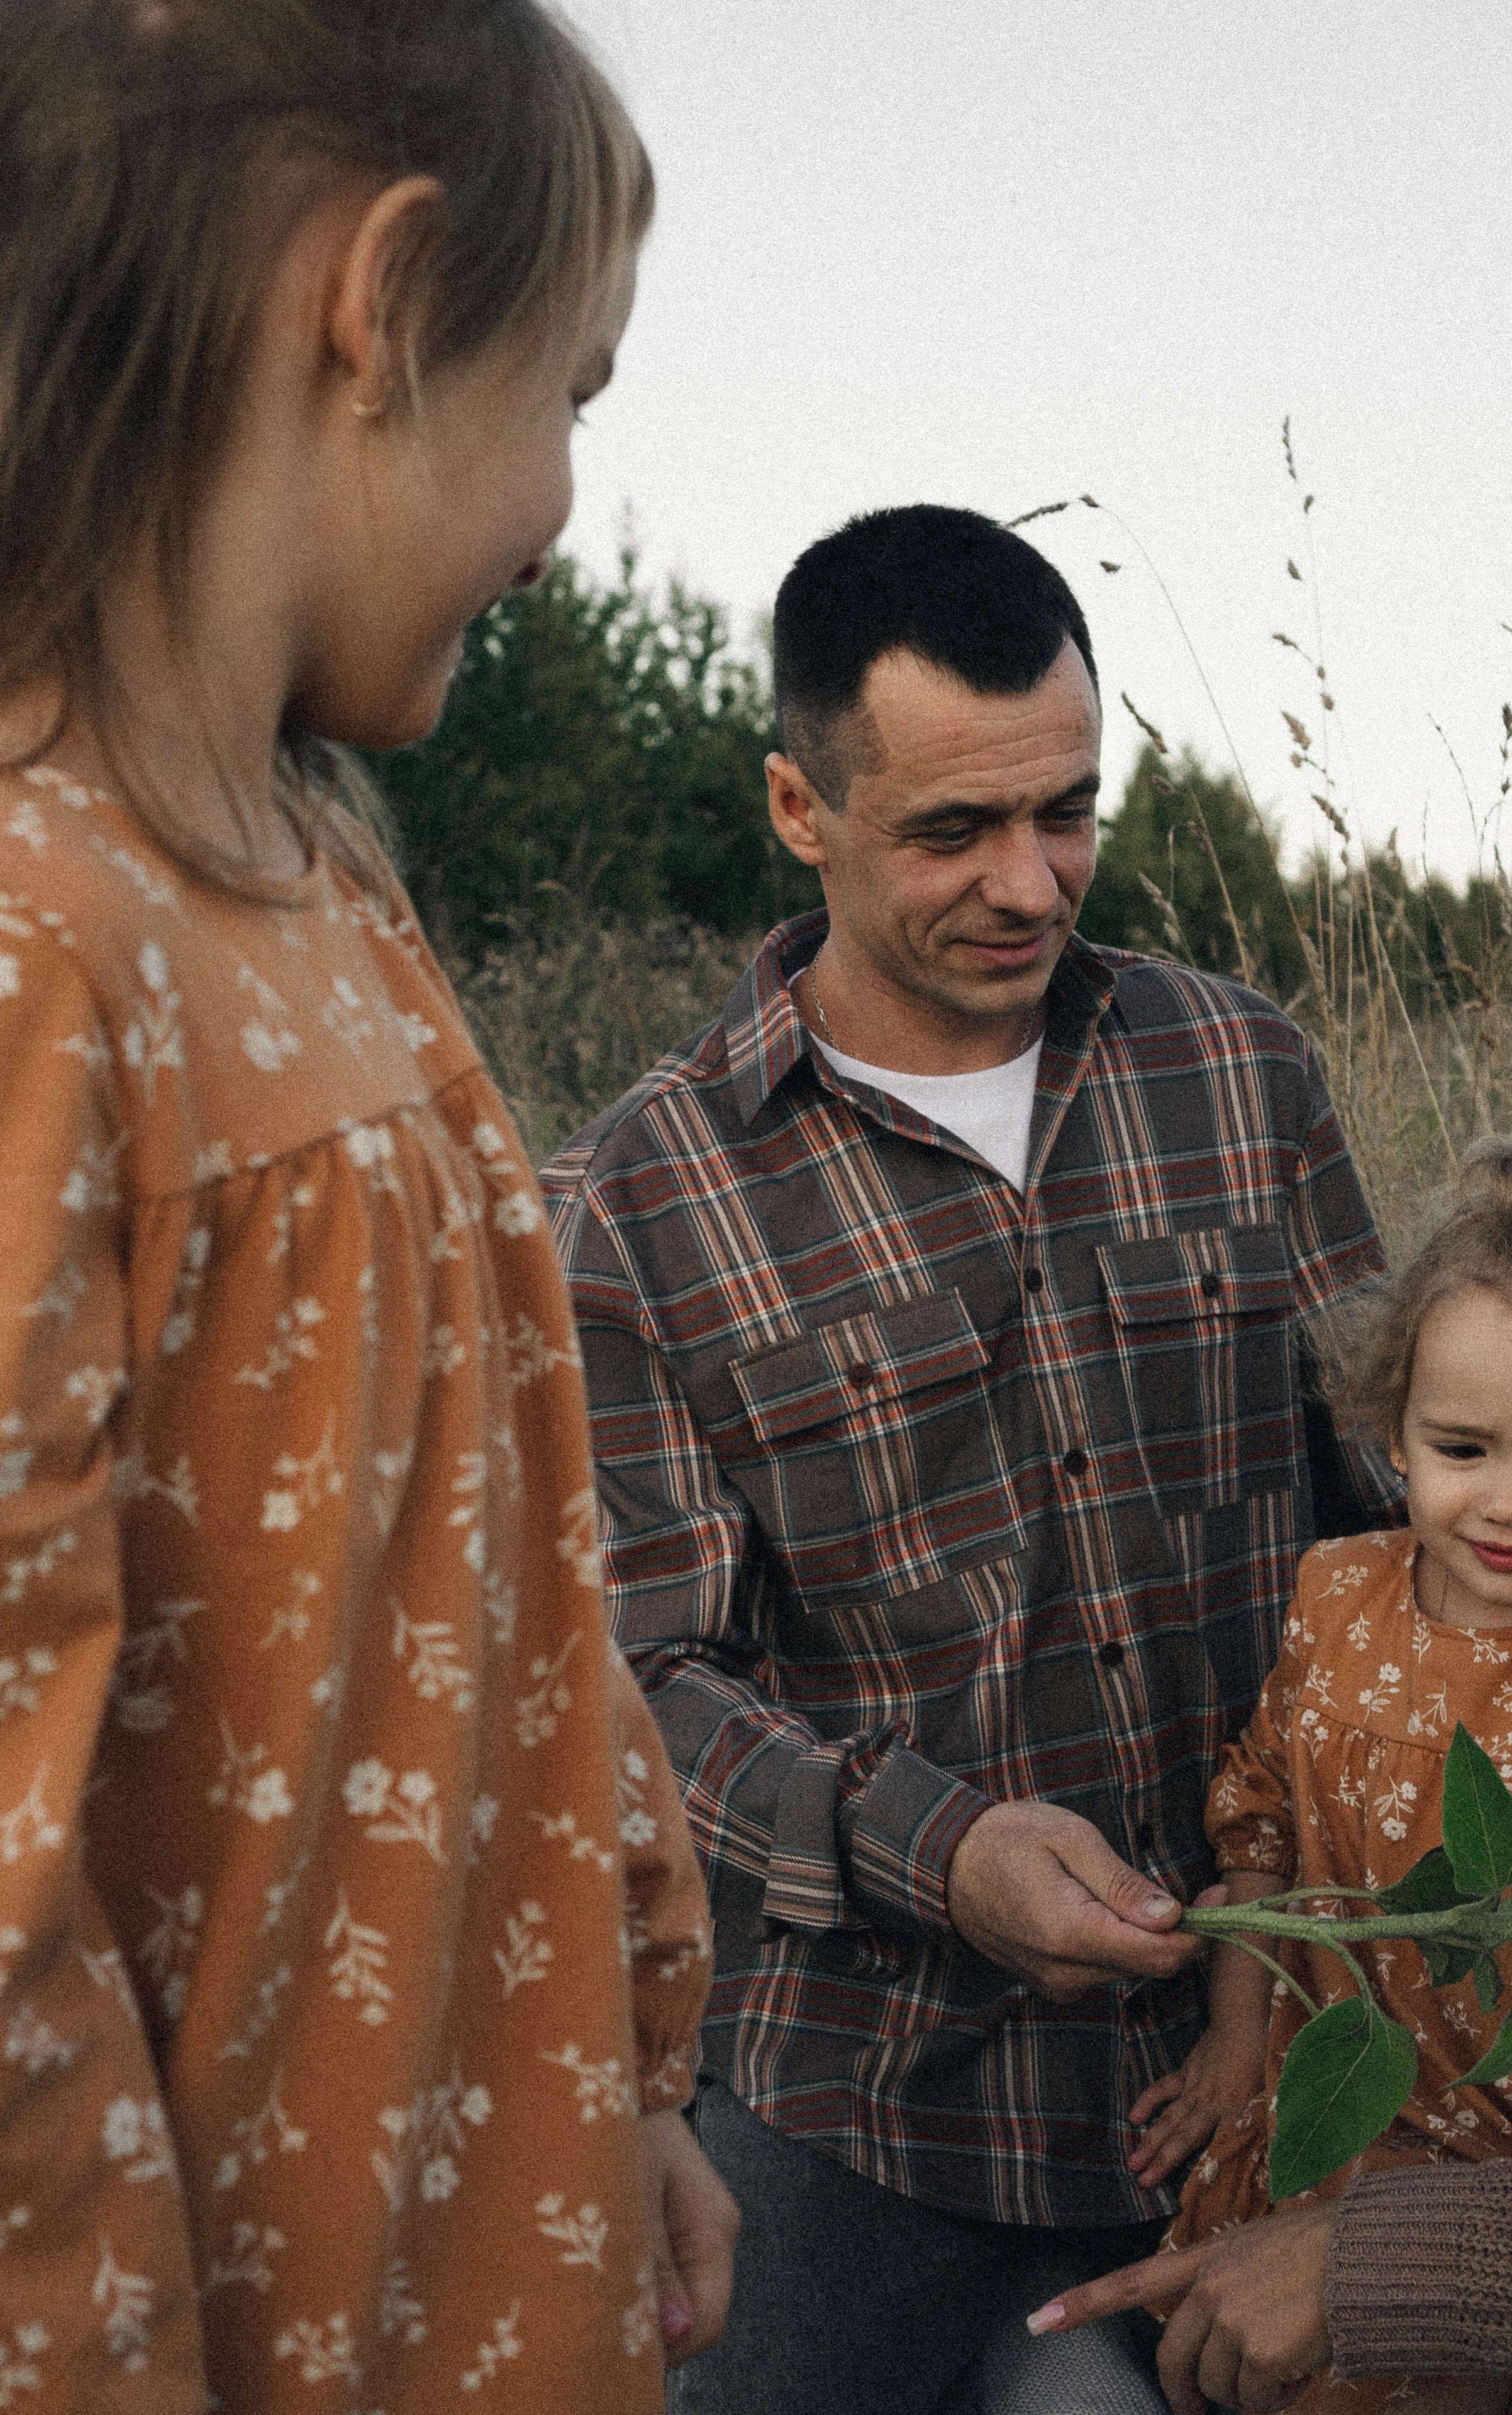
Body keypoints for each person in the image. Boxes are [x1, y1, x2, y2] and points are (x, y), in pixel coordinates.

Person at [0, 1, 738, 2407]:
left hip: (495, 2258)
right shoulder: (2, 949)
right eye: (571, 390)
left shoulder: (336, 916)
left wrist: (631, 2060)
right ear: (375, 304)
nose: (569, 500)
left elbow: (520, 1575)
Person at [542, 502, 1400, 2414]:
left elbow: (1390, 1517)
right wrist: (947, 1852)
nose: (1031, 883)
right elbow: (643, 1685)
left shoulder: (1240, 1073)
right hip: (857, 2105)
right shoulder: (639, 1197)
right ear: (798, 807)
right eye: (952, 831)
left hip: (1250, 2074)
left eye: (1069, 810)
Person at [1032, 1141, 1512, 2411]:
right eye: (1462, 1448)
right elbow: (1261, 1832)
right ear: (1389, 1432)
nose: (1499, 1504)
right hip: (1334, 2110)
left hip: (1486, 2178)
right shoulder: (1335, 1594)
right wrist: (1238, 2037)